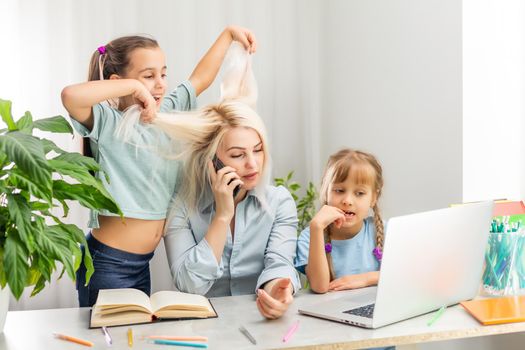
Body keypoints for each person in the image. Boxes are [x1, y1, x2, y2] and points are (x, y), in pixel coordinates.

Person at [61, 26, 257, 307]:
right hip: (108, 263)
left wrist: (228, 35)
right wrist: (133, 88)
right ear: (119, 82)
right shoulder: (108, 121)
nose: (160, 84)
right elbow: (70, 96)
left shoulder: (170, 113)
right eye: (148, 76)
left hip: (142, 264)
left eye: (163, 74)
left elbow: (200, 78)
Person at [295, 148, 385, 294]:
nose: (347, 201)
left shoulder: (384, 231)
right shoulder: (309, 236)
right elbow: (320, 286)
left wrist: (366, 278)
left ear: (373, 198)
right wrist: (317, 227)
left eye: (359, 193)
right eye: (339, 190)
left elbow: (411, 272)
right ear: (326, 192)